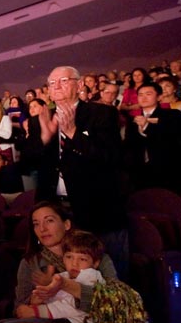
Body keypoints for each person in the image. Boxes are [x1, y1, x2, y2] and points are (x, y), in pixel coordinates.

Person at [36, 66, 127, 278]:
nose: (57, 86)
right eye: (52, 83)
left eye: (64, 80)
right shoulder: (42, 118)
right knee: (67, 282)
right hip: (59, 211)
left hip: (98, 210)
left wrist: (72, 133)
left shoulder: (102, 113)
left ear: (79, 85)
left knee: (109, 278)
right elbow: (29, 164)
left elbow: (110, 159)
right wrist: (44, 140)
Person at [10, 202, 117, 320]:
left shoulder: (97, 256)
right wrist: (35, 301)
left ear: (66, 224)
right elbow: (19, 310)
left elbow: (115, 303)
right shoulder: (29, 263)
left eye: (49, 221)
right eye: (36, 224)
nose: (42, 229)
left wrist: (63, 285)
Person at [17, 230, 106, 323]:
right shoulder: (63, 276)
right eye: (69, 257)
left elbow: (72, 308)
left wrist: (36, 311)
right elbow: (56, 300)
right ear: (63, 258)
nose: (74, 264)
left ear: (95, 263)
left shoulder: (91, 275)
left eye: (82, 259)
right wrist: (40, 300)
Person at [125, 82, 181, 195]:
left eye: (148, 94)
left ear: (159, 97)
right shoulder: (133, 120)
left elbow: (170, 140)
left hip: (167, 170)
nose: (143, 97)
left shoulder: (172, 115)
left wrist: (146, 127)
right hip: (139, 173)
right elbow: (129, 146)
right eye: (140, 94)